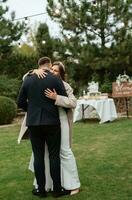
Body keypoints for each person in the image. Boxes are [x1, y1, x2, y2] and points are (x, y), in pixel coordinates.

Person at [18, 61, 80, 195]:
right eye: (51, 69)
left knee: (63, 152)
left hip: (60, 120)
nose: (52, 72)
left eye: (56, 70)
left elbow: (73, 102)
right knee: (44, 155)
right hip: (49, 122)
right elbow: (26, 79)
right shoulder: (40, 78)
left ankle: (72, 184)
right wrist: (33, 71)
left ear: (61, 74)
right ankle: (48, 186)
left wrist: (56, 97)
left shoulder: (64, 85)